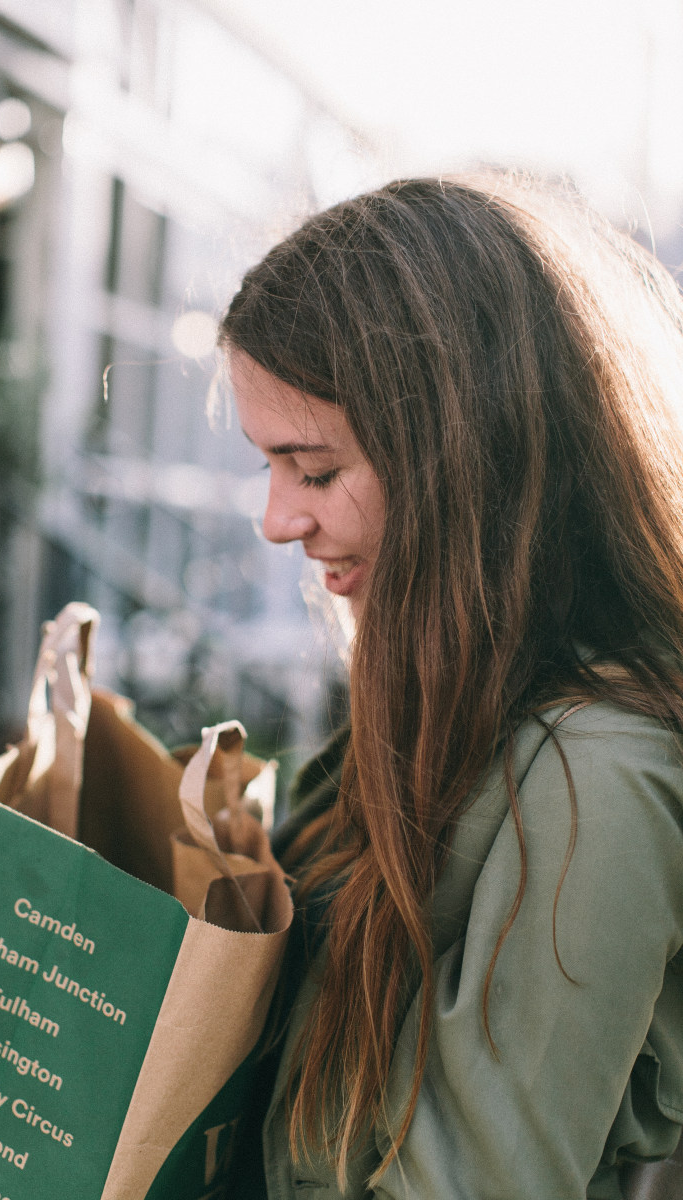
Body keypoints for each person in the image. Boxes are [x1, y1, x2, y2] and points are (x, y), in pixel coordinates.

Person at [218, 175, 683, 1200]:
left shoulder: (590, 783)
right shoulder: (438, 703)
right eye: (267, 466)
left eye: (311, 468)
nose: (275, 521)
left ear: (458, 464)